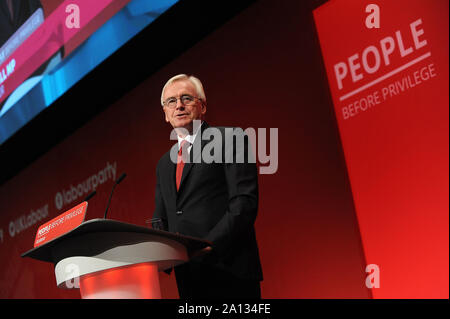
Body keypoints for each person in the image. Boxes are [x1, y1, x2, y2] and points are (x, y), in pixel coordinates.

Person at [152, 74, 263, 298]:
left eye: (186, 98)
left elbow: (243, 203)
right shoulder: (164, 164)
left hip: (229, 270)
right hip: (189, 278)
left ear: (202, 106)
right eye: (171, 101)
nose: (179, 105)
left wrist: (209, 246)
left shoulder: (229, 138)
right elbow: (160, 217)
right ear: (165, 114)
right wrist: (159, 254)